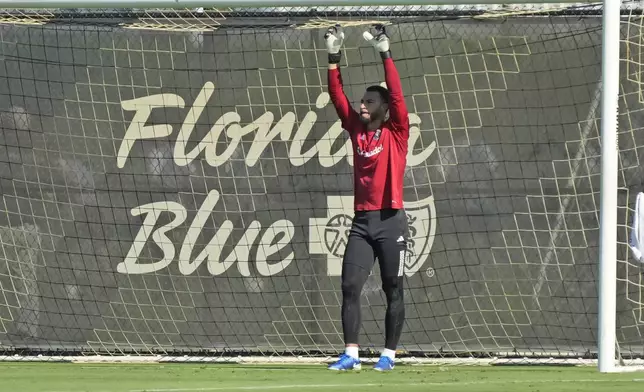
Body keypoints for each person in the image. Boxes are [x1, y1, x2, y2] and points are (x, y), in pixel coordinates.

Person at [324, 24, 410, 372]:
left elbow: (399, 95)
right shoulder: (355, 128)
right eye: (361, 101)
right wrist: (333, 56)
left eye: (369, 101)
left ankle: (388, 356)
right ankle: (351, 354)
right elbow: (336, 95)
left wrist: (385, 51)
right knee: (349, 285)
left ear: (384, 107)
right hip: (362, 222)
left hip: (392, 221)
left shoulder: (397, 131)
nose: (362, 105)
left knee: (393, 288)